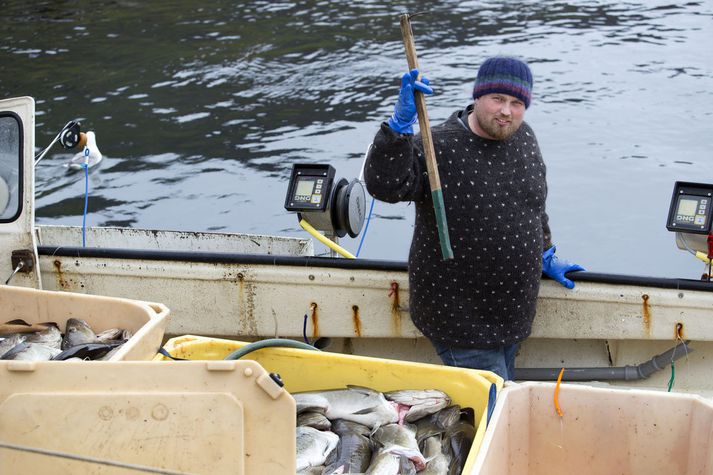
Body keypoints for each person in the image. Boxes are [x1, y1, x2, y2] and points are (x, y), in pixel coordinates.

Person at [363, 56, 584, 380]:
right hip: (460, 319)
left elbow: (533, 203)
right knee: (494, 406)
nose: (507, 111)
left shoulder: (524, 138)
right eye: (497, 99)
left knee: (501, 394)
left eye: (517, 102)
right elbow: (385, 186)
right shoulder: (436, 144)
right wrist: (396, 130)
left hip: (513, 315)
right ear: (477, 96)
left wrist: (544, 252)